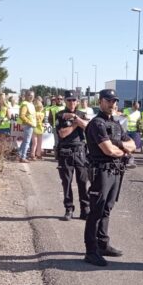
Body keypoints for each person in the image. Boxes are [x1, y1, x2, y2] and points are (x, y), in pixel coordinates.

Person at [83, 89, 135, 266]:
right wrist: (122, 150)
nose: (112, 104)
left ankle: (102, 243)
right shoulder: (97, 124)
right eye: (108, 100)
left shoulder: (116, 124)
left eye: (114, 101)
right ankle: (91, 251)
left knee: (107, 208)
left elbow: (134, 144)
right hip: (101, 171)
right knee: (96, 210)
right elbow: (108, 150)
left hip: (115, 170)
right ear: (101, 102)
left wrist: (119, 145)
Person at [55, 90, 91, 220]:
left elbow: (87, 127)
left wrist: (75, 119)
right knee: (67, 182)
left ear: (77, 101)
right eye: (69, 100)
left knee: (82, 182)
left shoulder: (81, 114)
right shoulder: (60, 115)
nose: (72, 102)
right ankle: (68, 209)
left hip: (80, 151)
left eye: (74, 100)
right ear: (65, 101)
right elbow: (62, 133)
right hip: (65, 151)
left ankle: (85, 209)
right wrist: (76, 124)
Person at [17, 90, 36, 163]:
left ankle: (19, 154)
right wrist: (29, 122)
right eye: (29, 95)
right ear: (26, 96)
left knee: (25, 141)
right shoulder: (25, 104)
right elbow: (22, 115)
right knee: (27, 142)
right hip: (28, 125)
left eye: (32, 95)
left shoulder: (30, 104)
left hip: (30, 125)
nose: (31, 97)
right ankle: (23, 157)